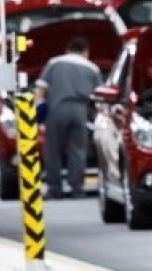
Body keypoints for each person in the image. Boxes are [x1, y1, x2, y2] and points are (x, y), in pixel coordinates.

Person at [36, 36, 103, 199]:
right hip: (80, 111)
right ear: (86, 52)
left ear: (67, 50)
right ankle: (77, 189)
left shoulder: (54, 63)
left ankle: (55, 188)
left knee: (52, 150)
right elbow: (100, 97)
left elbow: (40, 89)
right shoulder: (93, 68)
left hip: (56, 109)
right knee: (78, 150)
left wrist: (39, 114)